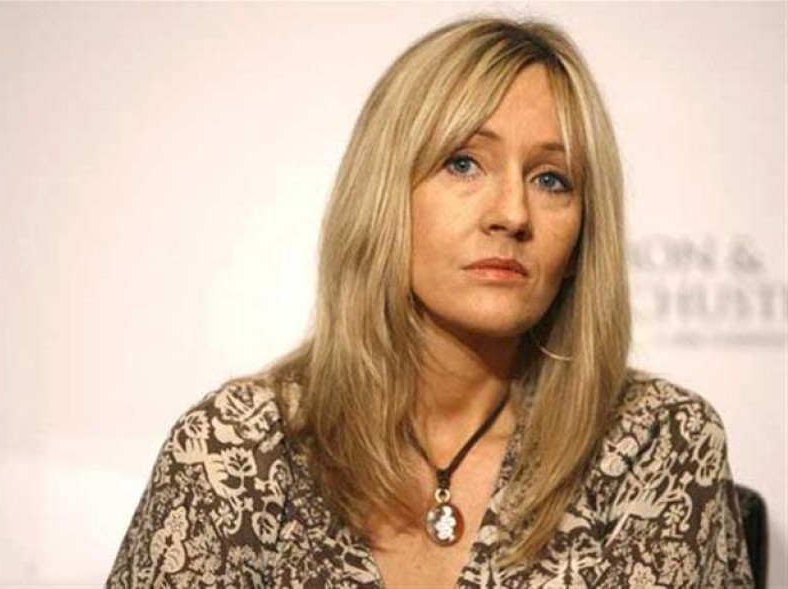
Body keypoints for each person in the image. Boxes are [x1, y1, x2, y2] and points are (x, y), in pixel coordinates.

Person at [107, 16, 754, 588]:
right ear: (385, 193)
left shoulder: (657, 442)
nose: (512, 213)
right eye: (464, 163)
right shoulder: (238, 447)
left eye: (551, 179)